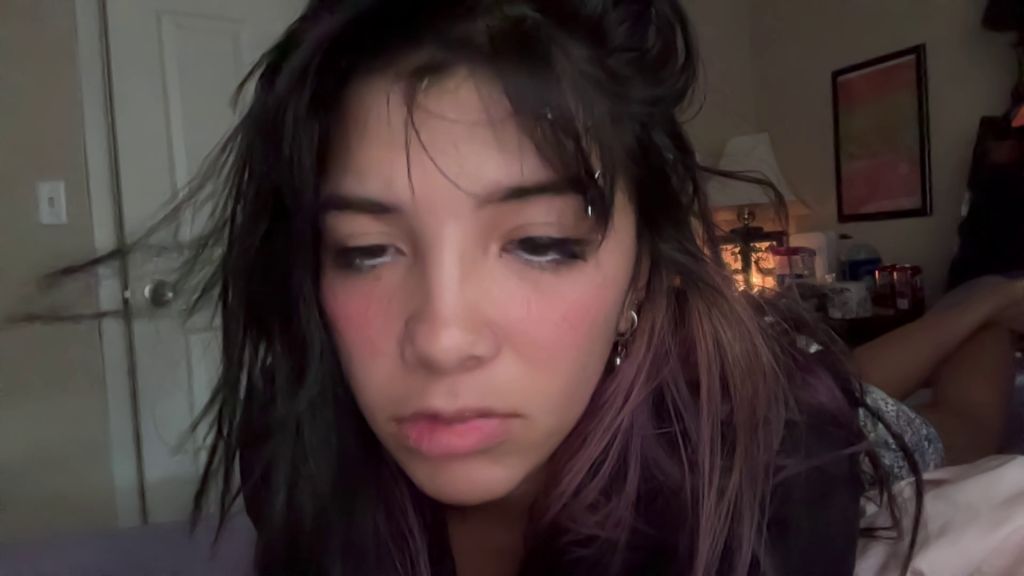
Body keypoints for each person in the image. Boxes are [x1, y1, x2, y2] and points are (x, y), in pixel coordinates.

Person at [174, 1, 917, 574]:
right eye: (366, 252)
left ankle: (976, 305)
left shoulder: (778, 468)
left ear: (641, 274)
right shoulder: (292, 449)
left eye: (539, 244)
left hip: (836, 411)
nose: (443, 339)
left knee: (945, 406)